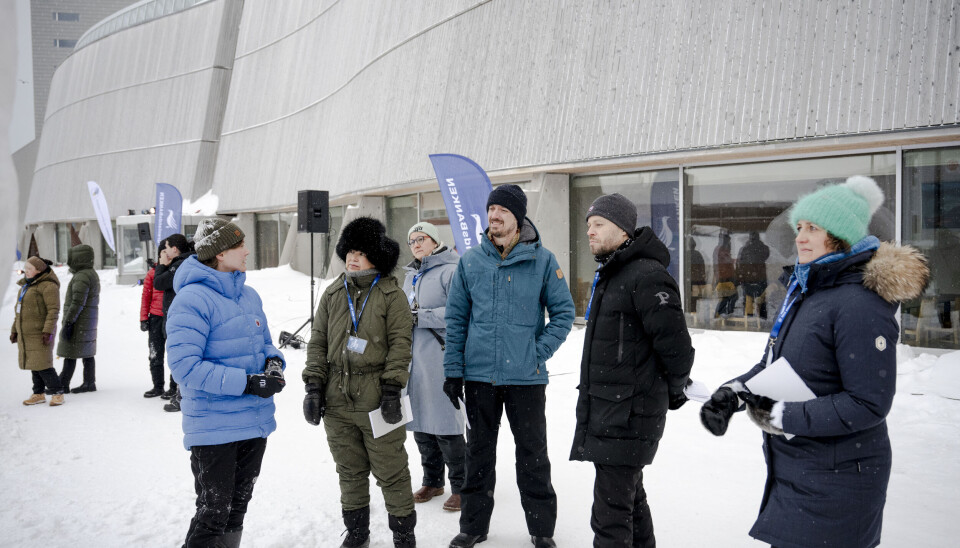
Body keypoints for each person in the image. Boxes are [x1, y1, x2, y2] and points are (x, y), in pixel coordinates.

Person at [699, 176, 929, 548]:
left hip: (839, 480)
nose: (800, 237)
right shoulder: (810, 290)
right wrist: (734, 393)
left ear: (839, 236)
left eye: (813, 228)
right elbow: (773, 364)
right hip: (802, 471)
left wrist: (782, 416)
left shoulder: (859, 304)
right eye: (800, 227)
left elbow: (868, 403)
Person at [442, 184, 575, 548]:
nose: (494, 216)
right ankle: (473, 527)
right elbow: (456, 320)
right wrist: (453, 370)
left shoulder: (543, 260)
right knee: (478, 455)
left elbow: (565, 313)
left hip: (526, 379)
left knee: (533, 456)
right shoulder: (471, 261)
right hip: (479, 377)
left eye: (502, 210)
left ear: (518, 217)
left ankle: (542, 530)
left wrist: (538, 352)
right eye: (490, 210)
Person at [571, 193, 695, 548]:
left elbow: (677, 349)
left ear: (623, 230)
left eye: (599, 225)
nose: (590, 232)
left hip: (628, 414)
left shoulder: (646, 276)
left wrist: (671, 392)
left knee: (610, 517)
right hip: (610, 410)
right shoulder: (614, 273)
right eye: (588, 226)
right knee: (630, 502)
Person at [166, 219, 286, 548]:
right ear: (219, 254)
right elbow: (184, 367)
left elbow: (265, 344)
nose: (247, 251)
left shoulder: (248, 295)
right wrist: (247, 382)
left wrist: (273, 363)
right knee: (213, 511)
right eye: (239, 246)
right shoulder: (191, 300)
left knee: (237, 509)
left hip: (253, 422)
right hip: (214, 427)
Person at [302, 216, 417, 548]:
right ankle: (357, 533)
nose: (353, 258)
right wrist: (313, 386)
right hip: (336, 401)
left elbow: (400, 344)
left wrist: (393, 388)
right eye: (349, 250)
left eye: (361, 252)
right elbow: (318, 341)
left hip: (377, 399)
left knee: (392, 472)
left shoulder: (390, 294)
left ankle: (404, 536)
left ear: (376, 257)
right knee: (349, 472)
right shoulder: (333, 292)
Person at [402, 221, 465, 512]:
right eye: (411, 240)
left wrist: (421, 316)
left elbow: (460, 312)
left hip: (441, 358)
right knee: (421, 426)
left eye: (421, 238)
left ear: (435, 241)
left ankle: (462, 486)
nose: (415, 244)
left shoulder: (451, 271)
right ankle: (433, 480)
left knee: (447, 426)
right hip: (415, 363)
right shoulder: (410, 276)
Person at [12, 256, 65, 406]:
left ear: (39, 270)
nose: (26, 272)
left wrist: (47, 331)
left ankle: (57, 392)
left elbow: (53, 311)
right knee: (34, 364)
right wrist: (15, 330)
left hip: (40, 332)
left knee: (44, 365)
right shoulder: (26, 286)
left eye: (30, 269)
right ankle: (38, 393)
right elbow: (18, 312)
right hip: (26, 333)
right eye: (25, 268)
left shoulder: (48, 286)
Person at [154, 233, 194, 410]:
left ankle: (182, 395)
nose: (165, 251)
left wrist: (162, 265)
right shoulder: (185, 262)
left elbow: (159, 283)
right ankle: (179, 393)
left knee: (181, 355)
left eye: (167, 247)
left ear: (175, 249)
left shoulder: (180, 265)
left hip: (179, 317)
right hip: (181, 315)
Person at [57, 244, 100, 393]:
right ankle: (89, 382)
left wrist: (69, 322)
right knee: (86, 352)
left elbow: (77, 302)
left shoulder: (82, 276)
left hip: (79, 322)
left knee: (71, 352)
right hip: (87, 321)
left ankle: (63, 383)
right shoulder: (90, 273)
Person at [141, 240, 168, 398]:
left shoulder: (175, 271)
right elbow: (146, 297)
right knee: (155, 353)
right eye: (162, 252)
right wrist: (144, 318)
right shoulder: (152, 273)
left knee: (174, 354)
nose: (166, 255)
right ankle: (158, 386)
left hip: (171, 317)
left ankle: (174, 387)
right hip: (155, 318)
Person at [736, 231, 770, 319]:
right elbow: (766, 255)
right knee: (761, 298)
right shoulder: (763, 248)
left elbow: (740, 263)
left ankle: (749, 315)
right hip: (760, 277)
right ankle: (762, 317)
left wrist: (741, 277)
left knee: (748, 298)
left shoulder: (745, 249)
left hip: (748, 278)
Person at [713, 231, 737, 317]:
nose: (729, 242)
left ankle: (722, 313)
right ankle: (723, 313)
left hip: (725, 277)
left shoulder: (720, 249)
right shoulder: (721, 249)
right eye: (728, 240)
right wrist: (734, 260)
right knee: (731, 296)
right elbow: (725, 261)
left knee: (727, 297)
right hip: (724, 278)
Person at [687, 237, 707, 313]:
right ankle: (693, 310)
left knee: (690, 296)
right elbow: (702, 267)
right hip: (696, 280)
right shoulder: (698, 254)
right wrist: (702, 277)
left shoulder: (687, 254)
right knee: (695, 296)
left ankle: (691, 310)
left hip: (690, 280)